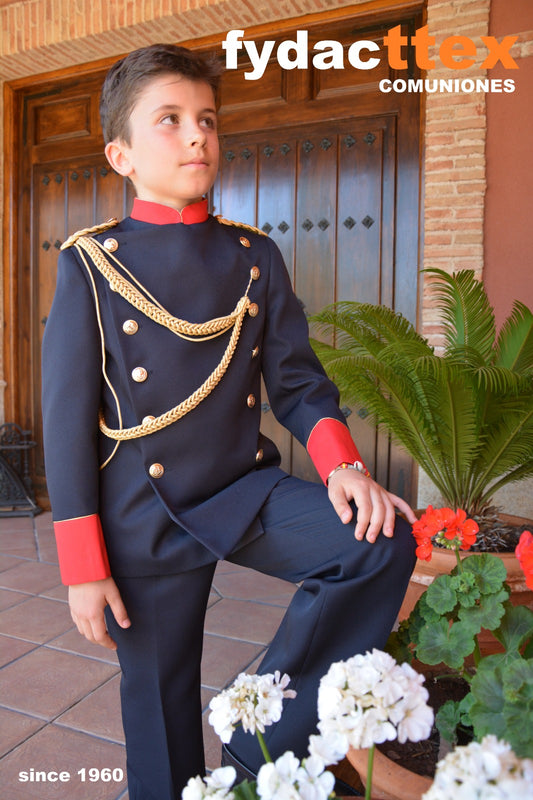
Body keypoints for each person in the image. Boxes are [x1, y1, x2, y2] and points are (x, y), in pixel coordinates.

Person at [41, 43, 417, 800]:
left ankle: (261, 725)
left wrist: (345, 468)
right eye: (170, 120)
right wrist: (83, 565)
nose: (195, 137)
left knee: (379, 542)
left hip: (242, 490)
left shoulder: (255, 256)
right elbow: (65, 417)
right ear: (120, 153)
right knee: (160, 717)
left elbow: (299, 383)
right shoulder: (90, 262)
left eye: (206, 120)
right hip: (140, 512)